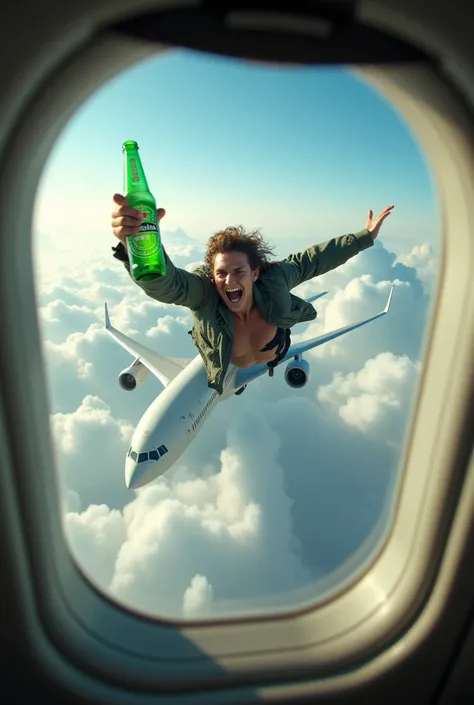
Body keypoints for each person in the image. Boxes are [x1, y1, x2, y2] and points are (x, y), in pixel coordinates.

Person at [111, 194, 394, 395]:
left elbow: (313, 260)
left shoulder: (275, 281)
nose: (229, 281)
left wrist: (364, 237)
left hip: (274, 353)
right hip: (227, 366)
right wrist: (134, 247)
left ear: (255, 273)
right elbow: (169, 285)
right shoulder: (205, 295)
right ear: (212, 276)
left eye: (239, 272)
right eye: (221, 273)